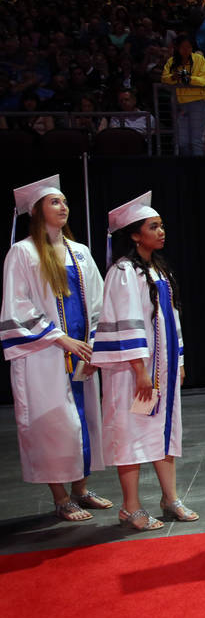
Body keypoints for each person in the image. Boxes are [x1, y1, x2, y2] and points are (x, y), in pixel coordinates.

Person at [2, 175, 110, 521]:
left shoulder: (80, 252)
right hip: (43, 354)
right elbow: (17, 306)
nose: (63, 207)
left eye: (64, 201)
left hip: (81, 353)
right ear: (37, 211)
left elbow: (98, 301)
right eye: (54, 202)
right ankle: (61, 497)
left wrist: (94, 343)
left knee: (84, 421)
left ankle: (81, 489)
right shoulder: (23, 252)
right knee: (53, 424)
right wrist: (59, 338)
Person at [93, 193, 194, 531]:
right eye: (154, 226)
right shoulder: (124, 272)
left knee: (162, 430)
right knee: (132, 432)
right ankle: (130, 507)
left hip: (160, 369)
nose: (161, 231)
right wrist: (140, 371)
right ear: (135, 235)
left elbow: (171, 318)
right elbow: (128, 322)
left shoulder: (157, 269)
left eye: (161, 225)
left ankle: (170, 497)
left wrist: (178, 359)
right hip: (135, 373)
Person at [161, 35, 205, 156]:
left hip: (197, 102)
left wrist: (189, 80)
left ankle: (197, 171)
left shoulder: (199, 59)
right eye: (183, 47)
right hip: (180, 104)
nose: (186, 50)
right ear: (177, 47)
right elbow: (164, 78)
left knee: (196, 141)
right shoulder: (172, 61)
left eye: (188, 47)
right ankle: (186, 169)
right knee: (182, 141)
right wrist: (174, 77)